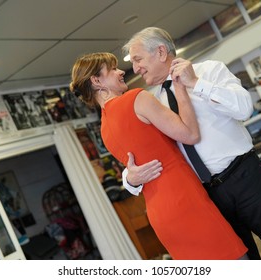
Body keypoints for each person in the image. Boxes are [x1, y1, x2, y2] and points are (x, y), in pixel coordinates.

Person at [121, 27, 261, 260]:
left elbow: (244, 108)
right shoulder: (153, 104)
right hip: (209, 198)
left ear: (161, 52)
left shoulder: (209, 71)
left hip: (247, 179)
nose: (135, 69)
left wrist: (196, 83)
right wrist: (129, 180)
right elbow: (148, 153)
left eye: (138, 59)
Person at [70, 52, 248, 260]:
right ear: (96, 80)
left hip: (160, 214)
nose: (121, 72)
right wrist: (179, 88)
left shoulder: (104, 129)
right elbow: (190, 134)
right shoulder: (136, 98)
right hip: (185, 201)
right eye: (112, 69)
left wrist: (129, 178)